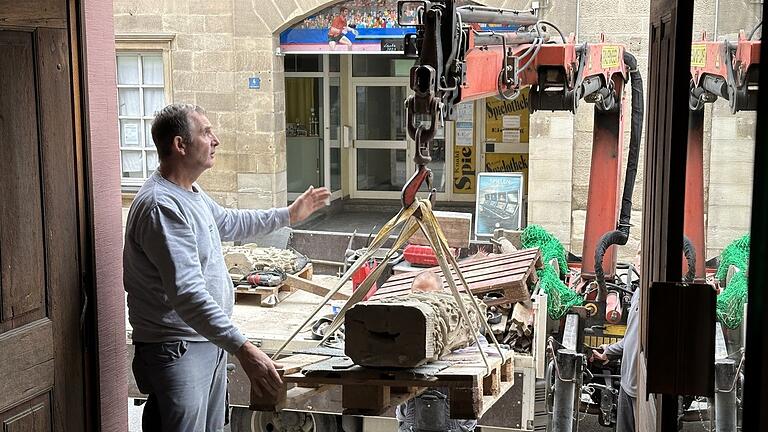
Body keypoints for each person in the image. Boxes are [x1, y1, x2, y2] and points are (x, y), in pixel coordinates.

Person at [124, 103, 330, 432]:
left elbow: (229, 222)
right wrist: (244, 349)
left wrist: (288, 215)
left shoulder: (189, 193)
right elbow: (188, 294)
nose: (215, 140)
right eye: (206, 132)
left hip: (202, 342)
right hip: (178, 348)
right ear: (180, 145)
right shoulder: (161, 206)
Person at [396, 271, 478, 432]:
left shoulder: (460, 326)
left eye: (430, 295)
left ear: (442, 297)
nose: (424, 302)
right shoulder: (401, 327)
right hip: (411, 425)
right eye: (418, 295)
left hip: (456, 425)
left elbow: (481, 350)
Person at [592, 250, 642, 432]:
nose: (636, 259)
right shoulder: (638, 293)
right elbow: (632, 338)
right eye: (637, 253)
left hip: (643, 391)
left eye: (639, 253)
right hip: (628, 384)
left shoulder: (658, 297)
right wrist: (609, 351)